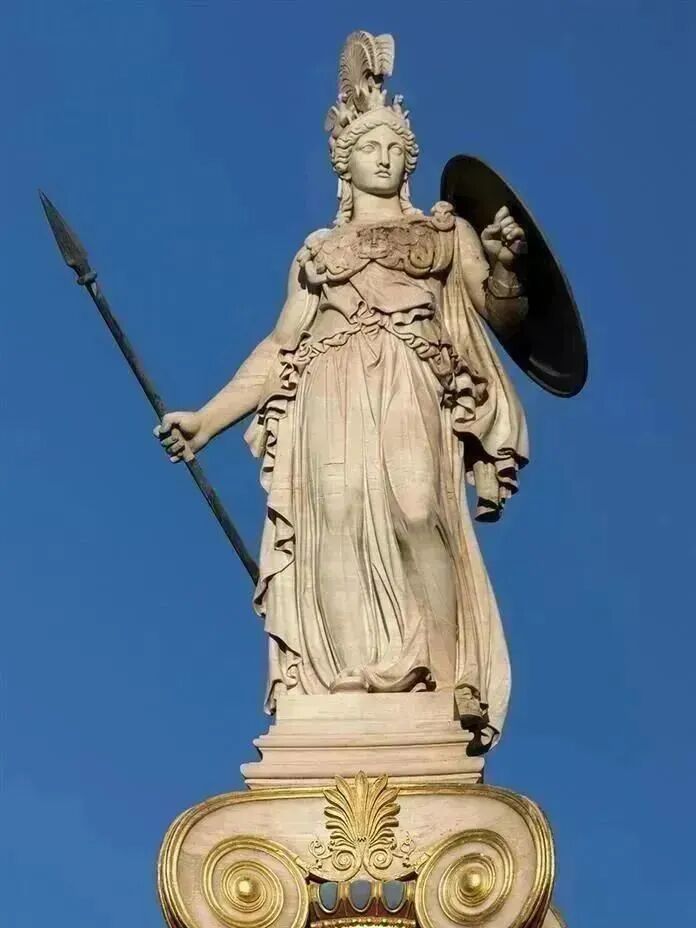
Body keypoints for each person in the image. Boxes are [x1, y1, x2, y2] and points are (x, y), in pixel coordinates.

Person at [156, 32, 529, 746]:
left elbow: (501, 313)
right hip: (327, 381)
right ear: (343, 161)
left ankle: (447, 673)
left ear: (409, 161)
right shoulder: (318, 253)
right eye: (369, 147)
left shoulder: (442, 234)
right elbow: (280, 346)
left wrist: (507, 266)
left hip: (409, 374)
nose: (384, 157)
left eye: (395, 148)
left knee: (418, 511)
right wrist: (208, 419)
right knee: (331, 514)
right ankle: (344, 678)